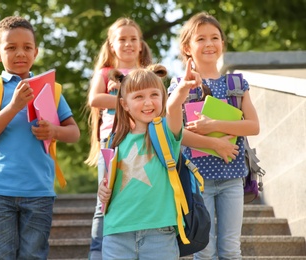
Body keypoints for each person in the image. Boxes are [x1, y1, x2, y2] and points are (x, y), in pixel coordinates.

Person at [0, 16, 80, 259]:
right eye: (11, 47)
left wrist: (54, 131)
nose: (20, 53)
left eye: (27, 47)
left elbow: (73, 132)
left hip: (39, 192)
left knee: (33, 256)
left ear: (36, 51)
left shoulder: (50, 88)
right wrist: (13, 106)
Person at [168, 12, 260, 259]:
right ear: (187, 47)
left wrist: (214, 124)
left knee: (231, 248)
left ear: (222, 43)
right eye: (201, 39)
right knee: (204, 250)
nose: (209, 44)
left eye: (215, 38)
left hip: (232, 177)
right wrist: (214, 143)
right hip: (197, 179)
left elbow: (253, 126)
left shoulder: (237, 84)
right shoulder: (179, 86)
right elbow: (175, 132)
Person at [97, 63, 199, 259]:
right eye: (138, 96)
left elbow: (174, 106)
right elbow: (108, 185)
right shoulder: (113, 141)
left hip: (160, 233)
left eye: (154, 95)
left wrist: (183, 88)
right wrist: (103, 191)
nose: (148, 102)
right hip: (117, 233)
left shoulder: (166, 134)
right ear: (125, 104)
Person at [85, 17, 152, 260]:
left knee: (142, 192)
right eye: (122, 39)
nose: (128, 44)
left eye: (133, 39)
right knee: (106, 195)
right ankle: (98, 251)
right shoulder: (105, 73)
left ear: (141, 45)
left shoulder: (147, 74)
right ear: (112, 45)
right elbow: (95, 99)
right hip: (112, 142)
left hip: (145, 141)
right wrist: (129, 102)